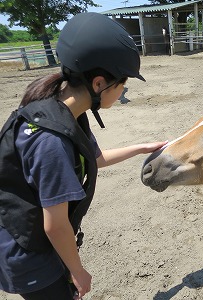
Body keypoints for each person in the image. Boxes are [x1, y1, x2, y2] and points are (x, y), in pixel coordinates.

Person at [0, 12, 167, 300]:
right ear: (99, 83)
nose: (124, 90)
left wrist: (143, 147)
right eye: (123, 83)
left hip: (32, 239)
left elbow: (97, 159)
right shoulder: (51, 141)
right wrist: (77, 271)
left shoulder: (59, 109)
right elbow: (55, 225)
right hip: (29, 255)